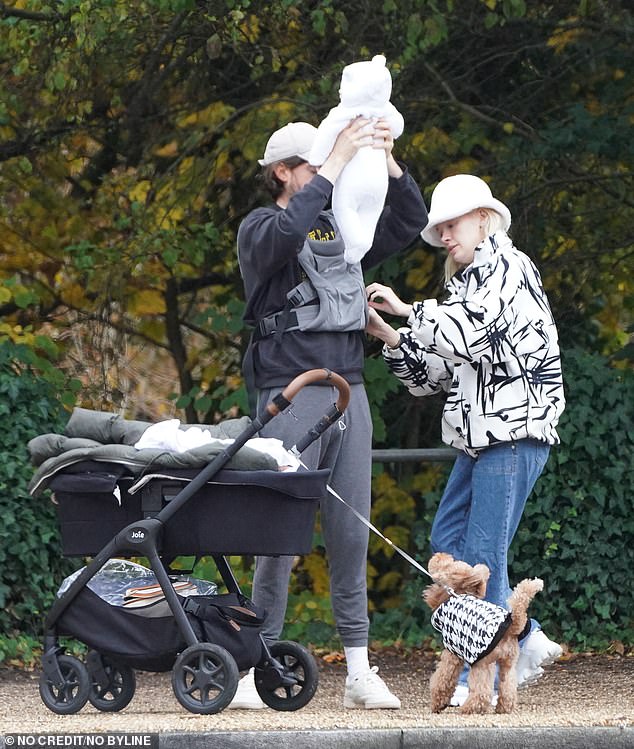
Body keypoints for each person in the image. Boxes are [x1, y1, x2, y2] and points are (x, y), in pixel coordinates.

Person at [233, 119, 428, 709]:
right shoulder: (261, 227)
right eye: (311, 164)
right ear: (281, 173)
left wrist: (389, 163)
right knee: (279, 535)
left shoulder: (344, 229)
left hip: (349, 389)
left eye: (326, 163)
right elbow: (289, 231)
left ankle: (361, 669)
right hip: (290, 391)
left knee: (351, 532)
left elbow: (408, 222)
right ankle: (251, 666)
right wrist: (338, 160)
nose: (323, 172)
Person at [365, 174, 565, 706]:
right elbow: (433, 373)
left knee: (480, 558)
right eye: (439, 228)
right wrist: (388, 334)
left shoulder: (509, 268)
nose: (444, 236)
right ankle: (527, 636)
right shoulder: (466, 285)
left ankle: (473, 679)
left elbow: (474, 332)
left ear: (483, 218)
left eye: (451, 225)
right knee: (449, 545)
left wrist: (409, 311)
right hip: (480, 438)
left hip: (514, 430)